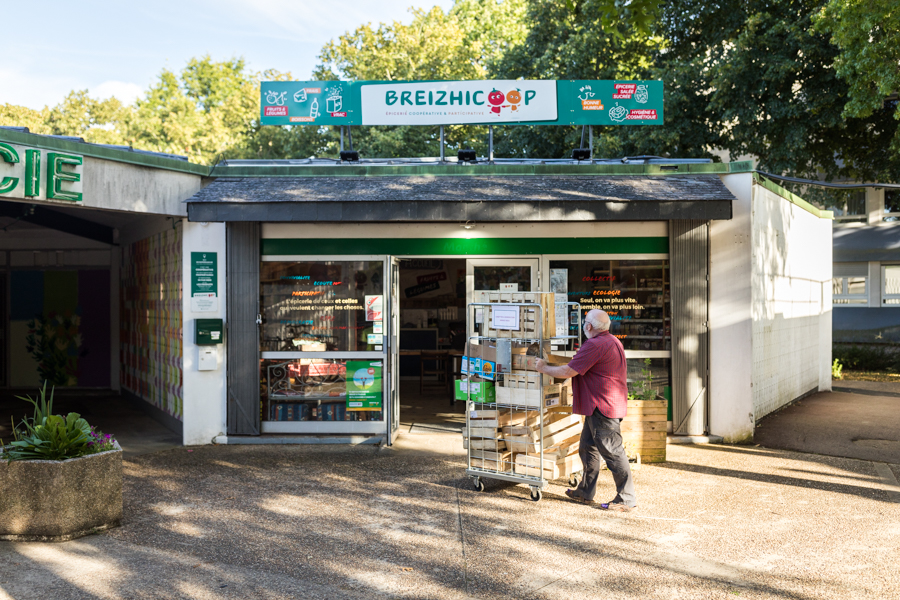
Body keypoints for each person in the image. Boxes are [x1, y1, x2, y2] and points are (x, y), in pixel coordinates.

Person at [535, 309, 636, 512]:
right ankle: (585, 491)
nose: (583, 325)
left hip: (602, 406)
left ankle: (626, 498)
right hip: (603, 404)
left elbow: (568, 371)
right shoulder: (612, 341)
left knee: (612, 451)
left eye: (584, 322)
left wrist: (543, 368)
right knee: (588, 446)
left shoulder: (595, 344)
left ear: (588, 326)